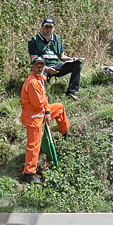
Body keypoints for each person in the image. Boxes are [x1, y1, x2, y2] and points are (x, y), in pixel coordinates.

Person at [20, 57, 70, 185]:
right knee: (33, 145)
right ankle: (29, 173)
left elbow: (43, 101)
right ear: (32, 67)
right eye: (37, 65)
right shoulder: (32, 83)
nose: (40, 67)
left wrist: (47, 111)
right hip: (33, 117)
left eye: (42, 65)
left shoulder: (40, 79)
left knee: (59, 108)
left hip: (41, 112)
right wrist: (45, 103)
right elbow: (38, 103)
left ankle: (65, 134)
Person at [28, 18, 83, 101]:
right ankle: (40, 97)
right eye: (46, 27)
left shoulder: (57, 38)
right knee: (40, 82)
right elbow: (34, 61)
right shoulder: (34, 40)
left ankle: (71, 91)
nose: (48, 29)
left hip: (56, 66)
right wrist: (46, 69)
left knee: (77, 64)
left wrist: (71, 59)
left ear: (54, 28)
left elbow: (62, 56)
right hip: (43, 68)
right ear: (42, 27)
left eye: (51, 27)